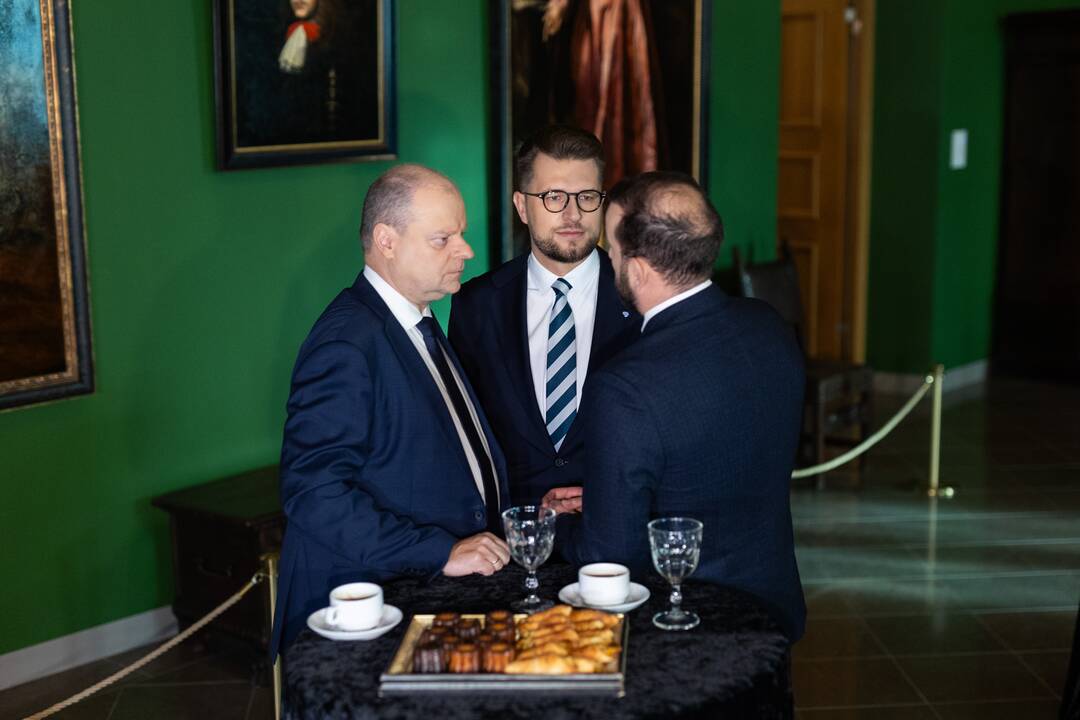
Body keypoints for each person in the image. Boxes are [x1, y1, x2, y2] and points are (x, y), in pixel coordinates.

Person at [553, 171, 807, 641]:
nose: (606, 257)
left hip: (686, 623)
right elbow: (722, 466)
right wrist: (612, 502)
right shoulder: (769, 326)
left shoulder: (625, 386)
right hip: (774, 603)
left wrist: (560, 524)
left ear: (640, 269)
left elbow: (609, 557)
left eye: (610, 247)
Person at [270, 165, 511, 659]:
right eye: (443, 239)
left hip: (428, 599)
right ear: (387, 241)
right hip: (364, 611)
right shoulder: (345, 344)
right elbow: (314, 493)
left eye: (461, 235)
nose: (465, 251)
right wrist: (440, 551)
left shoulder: (417, 318)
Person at [449, 125, 640, 508]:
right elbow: (464, 436)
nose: (573, 214)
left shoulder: (640, 296)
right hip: (510, 539)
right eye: (553, 197)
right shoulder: (475, 306)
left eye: (587, 196)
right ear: (522, 206)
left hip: (617, 531)